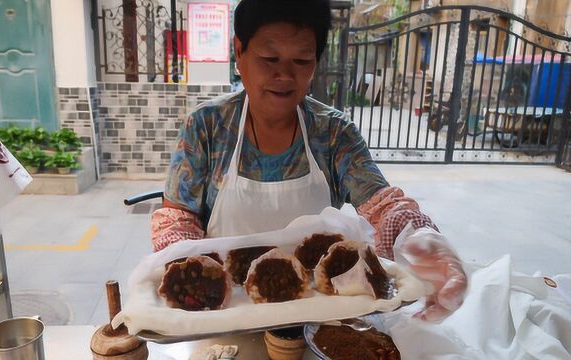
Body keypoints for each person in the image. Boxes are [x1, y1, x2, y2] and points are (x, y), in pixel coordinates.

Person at [151, 0, 467, 322]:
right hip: (224, 315)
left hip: (318, 318)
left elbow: (382, 207)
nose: (285, 75)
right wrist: (193, 277)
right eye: (269, 58)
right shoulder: (207, 126)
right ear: (239, 51)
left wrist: (420, 238)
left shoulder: (333, 133)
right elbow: (177, 222)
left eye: (301, 60)